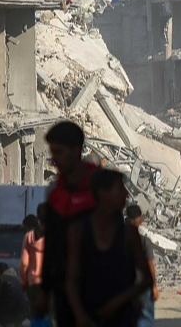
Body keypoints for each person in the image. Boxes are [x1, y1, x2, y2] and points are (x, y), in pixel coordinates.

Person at [66, 169, 150, 327]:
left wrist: (118, 302)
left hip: (123, 318)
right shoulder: (79, 232)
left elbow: (146, 279)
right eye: (119, 188)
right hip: (89, 316)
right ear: (102, 193)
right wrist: (80, 315)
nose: (126, 194)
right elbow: (70, 279)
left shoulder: (129, 233)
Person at [39, 121, 99, 326]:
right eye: (52, 152)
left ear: (76, 150)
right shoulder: (55, 192)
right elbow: (52, 243)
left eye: (59, 152)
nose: (54, 159)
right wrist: (45, 290)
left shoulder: (101, 188)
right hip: (64, 285)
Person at [125, 205, 159, 327]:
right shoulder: (144, 241)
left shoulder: (117, 240)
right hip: (142, 285)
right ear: (140, 220)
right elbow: (150, 264)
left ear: (126, 220)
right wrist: (154, 286)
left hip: (124, 286)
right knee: (145, 318)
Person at [19, 209, 45, 312]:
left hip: (33, 281)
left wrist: (23, 281)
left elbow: (24, 263)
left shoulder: (29, 239)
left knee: (33, 311)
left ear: (29, 227)